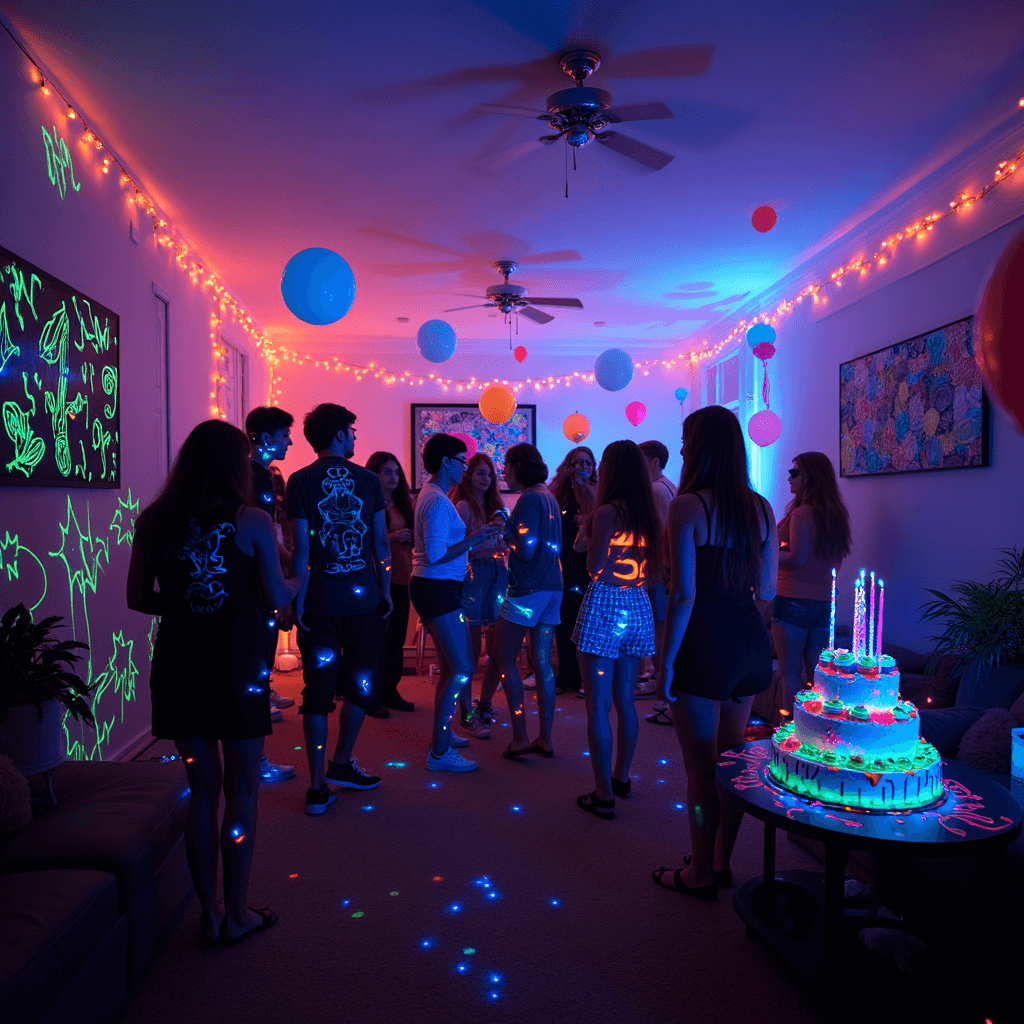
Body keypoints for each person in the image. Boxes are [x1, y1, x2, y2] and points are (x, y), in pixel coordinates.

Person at [127, 420, 305, 946]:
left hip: (178, 663)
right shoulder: (251, 519)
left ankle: (209, 914)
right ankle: (238, 914)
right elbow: (277, 595)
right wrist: (302, 576)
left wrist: (189, 607)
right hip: (237, 666)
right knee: (242, 787)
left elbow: (138, 598)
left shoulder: (155, 520)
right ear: (235, 465)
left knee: (201, 789)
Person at [654, 405, 777, 901]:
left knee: (701, 769)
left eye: (686, 439)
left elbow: (683, 595)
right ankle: (722, 860)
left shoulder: (687, 507)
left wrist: (665, 661)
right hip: (748, 642)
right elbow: (767, 589)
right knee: (733, 761)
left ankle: (699, 872)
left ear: (701, 446)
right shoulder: (762, 508)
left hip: (703, 643)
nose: (681, 448)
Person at [286, 403, 392, 814]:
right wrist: (385, 589)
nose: (355, 437)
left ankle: (316, 788)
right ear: (339, 434)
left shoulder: (299, 480)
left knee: (317, 694)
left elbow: (301, 548)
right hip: (363, 603)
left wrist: (297, 600)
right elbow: (379, 542)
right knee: (360, 686)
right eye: (352, 430)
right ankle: (342, 762)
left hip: (318, 605)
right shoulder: (368, 480)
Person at [572, 441, 661, 819]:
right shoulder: (648, 513)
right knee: (626, 701)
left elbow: (592, 565)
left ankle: (603, 794)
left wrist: (590, 525)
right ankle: (622, 777)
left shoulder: (606, 512)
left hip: (605, 607)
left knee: (598, 705)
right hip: (637, 604)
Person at [410, 433, 503, 772]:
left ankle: (443, 735)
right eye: (462, 461)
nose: (465, 467)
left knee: (452, 667)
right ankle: (438, 752)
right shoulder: (436, 500)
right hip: (437, 587)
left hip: (438, 586)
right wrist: (474, 539)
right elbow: (435, 555)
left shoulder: (434, 495)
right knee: (463, 668)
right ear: (446, 462)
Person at [493, 443, 563, 760]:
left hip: (527, 591)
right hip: (552, 588)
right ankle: (545, 738)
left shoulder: (529, 499)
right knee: (543, 663)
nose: (504, 472)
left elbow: (525, 550)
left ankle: (520, 737)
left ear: (519, 467)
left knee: (504, 658)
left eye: (507, 466)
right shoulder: (548, 496)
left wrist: (505, 532)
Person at [771, 451, 851, 713]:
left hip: (793, 598)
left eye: (794, 472)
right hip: (824, 602)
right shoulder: (836, 515)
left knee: (791, 675)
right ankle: (815, 728)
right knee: (817, 675)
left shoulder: (802, 514)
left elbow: (797, 559)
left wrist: (766, 553)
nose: (789, 478)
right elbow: (835, 563)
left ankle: (789, 729)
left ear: (810, 477)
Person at [245, 405, 296, 780]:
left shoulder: (252, 475)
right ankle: (254, 761)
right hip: (256, 589)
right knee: (254, 671)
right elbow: (261, 536)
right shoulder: (257, 477)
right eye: (284, 435)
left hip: (252, 586)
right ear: (264, 438)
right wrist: (284, 579)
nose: (289, 442)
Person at [450, 451, 508, 738]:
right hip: (473, 576)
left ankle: (485, 702)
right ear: (469, 476)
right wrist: (484, 536)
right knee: (470, 650)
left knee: (497, 647)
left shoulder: (498, 507)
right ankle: (466, 710)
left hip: (498, 573)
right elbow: (456, 547)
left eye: (489, 474)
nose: (485, 479)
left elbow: (506, 542)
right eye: (480, 473)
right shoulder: (462, 506)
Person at [364, 451, 417, 716]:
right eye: (387, 472)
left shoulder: (405, 505)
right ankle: (370, 696)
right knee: (375, 640)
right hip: (374, 579)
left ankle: (390, 691)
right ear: (374, 473)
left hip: (402, 577)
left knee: (396, 639)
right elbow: (364, 541)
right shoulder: (367, 504)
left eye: (397, 472)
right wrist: (394, 537)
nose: (394, 477)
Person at [549, 447, 597, 696]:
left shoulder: (597, 490)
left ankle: (584, 677)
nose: (584, 467)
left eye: (588, 462)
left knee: (587, 621)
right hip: (565, 562)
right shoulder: (559, 493)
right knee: (565, 620)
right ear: (569, 465)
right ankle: (565, 675)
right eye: (579, 462)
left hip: (590, 563)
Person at [637, 440, 677, 698]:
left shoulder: (655, 490)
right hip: (667, 567)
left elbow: (660, 533)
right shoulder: (669, 486)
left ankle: (658, 677)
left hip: (658, 568)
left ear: (653, 461)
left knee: (658, 625)